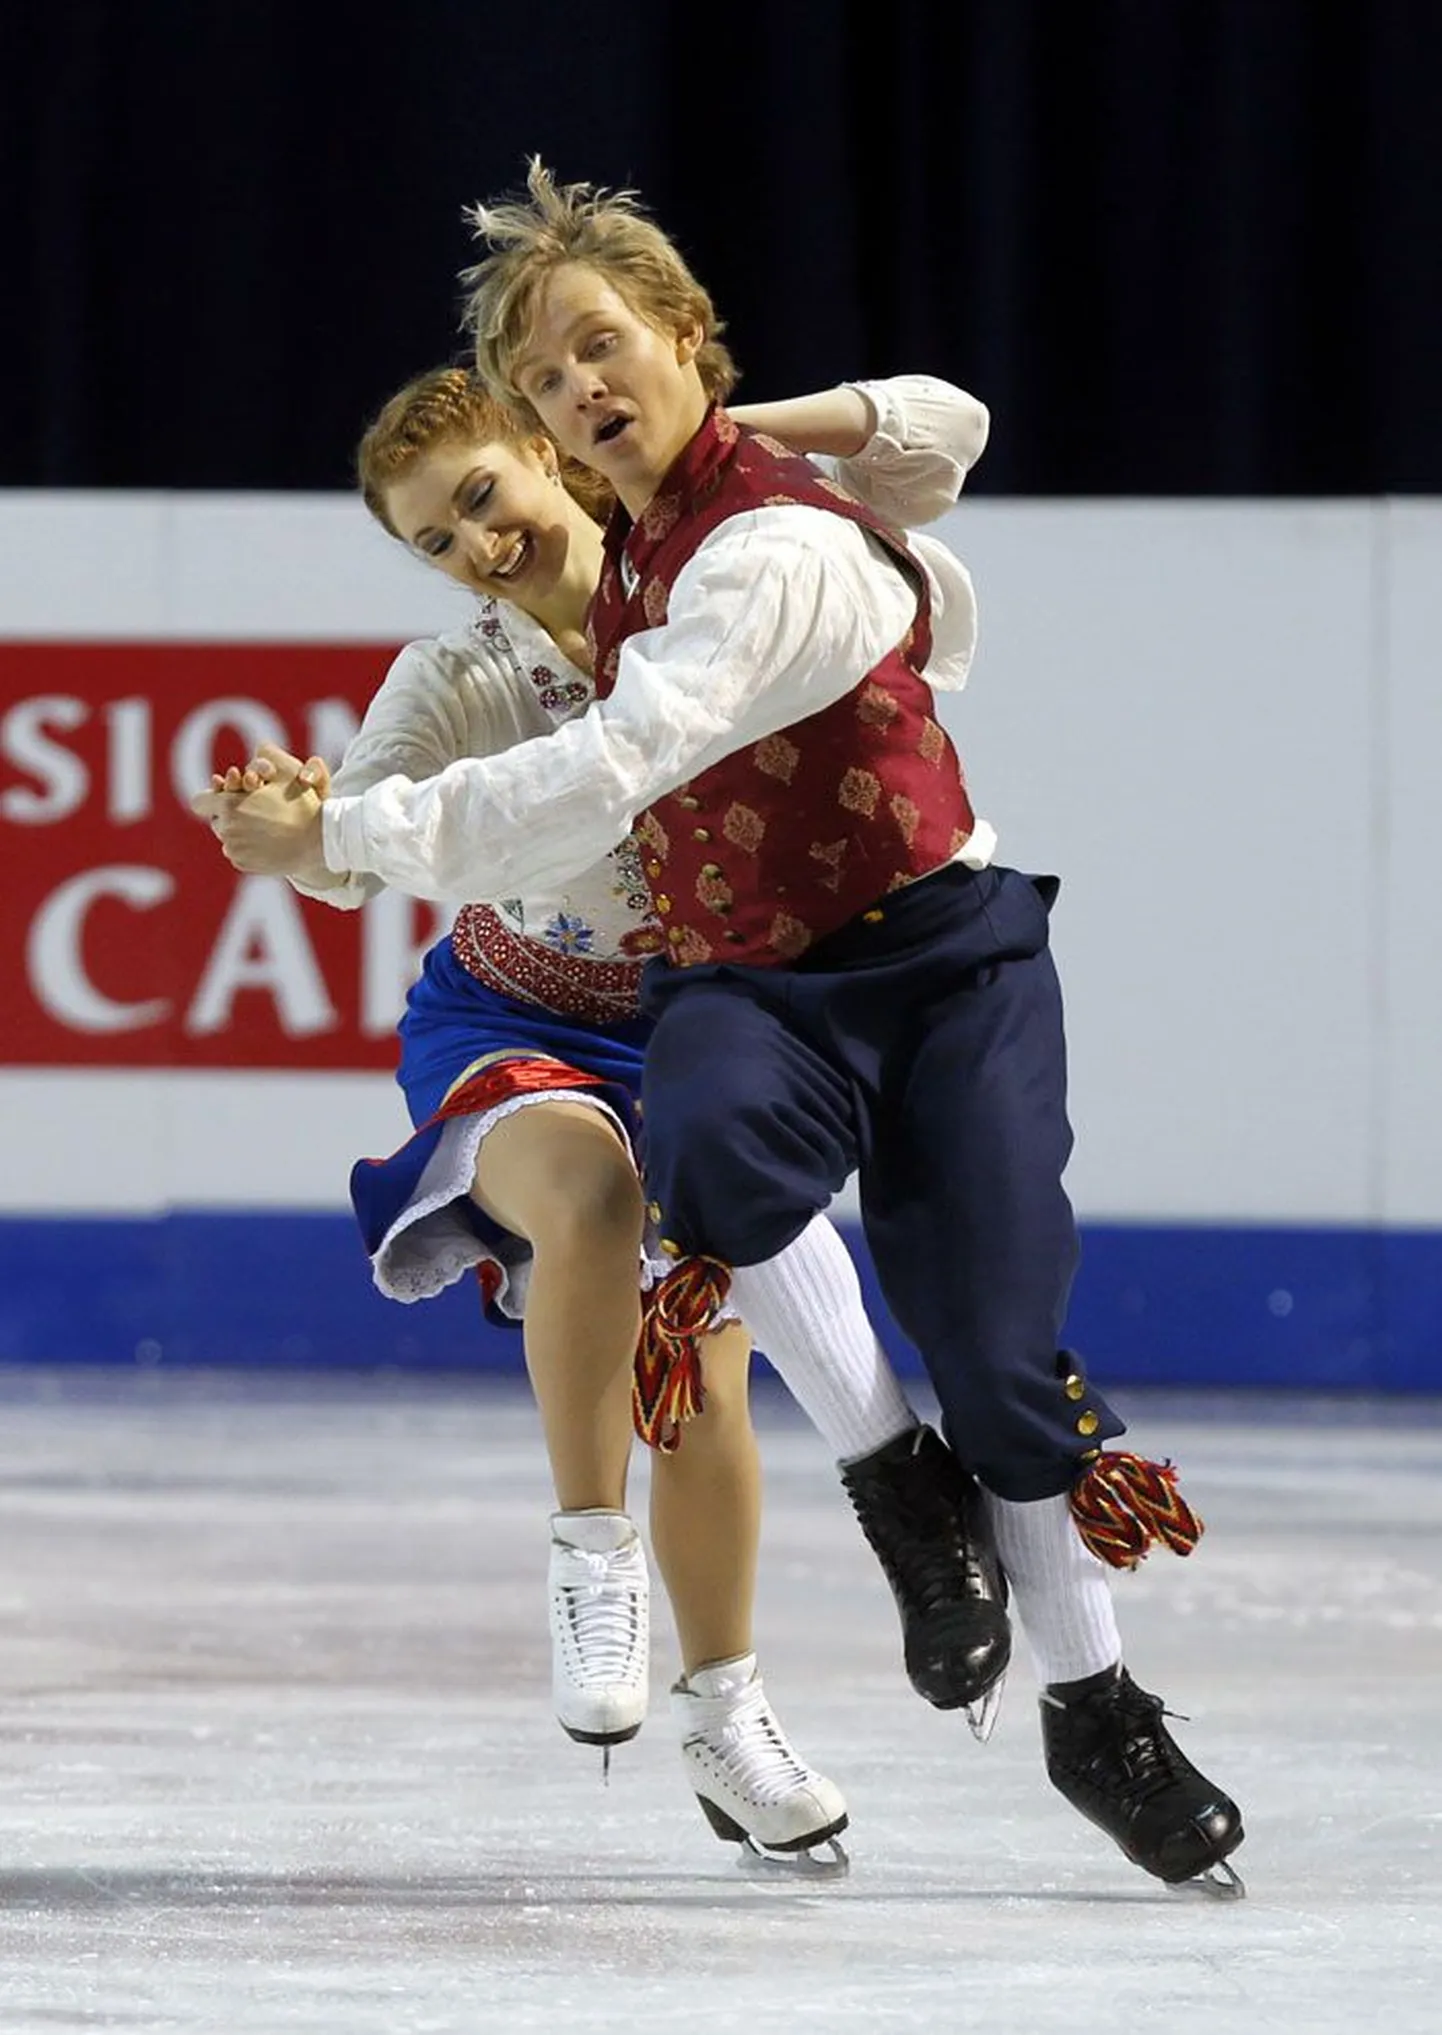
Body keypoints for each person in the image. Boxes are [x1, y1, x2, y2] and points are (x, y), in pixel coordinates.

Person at [201, 163, 1245, 1892]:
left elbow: (909, 449)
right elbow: (378, 827)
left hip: (915, 953)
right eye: (543, 379)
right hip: (662, 995)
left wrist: (347, 833)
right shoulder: (466, 659)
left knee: (982, 1363)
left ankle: (1052, 1700)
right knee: (667, 1173)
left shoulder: (757, 538)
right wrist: (323, 825)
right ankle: (656, 1546)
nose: (476, 541)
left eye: (567, 393)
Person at [196, 361, 1009, 1867]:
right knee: (590, 1202)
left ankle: (724, 1709)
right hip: (507, 1022)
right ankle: (589, 1552)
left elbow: (941, 439)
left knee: (693, 1368)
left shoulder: (709, 588)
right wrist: (290, 831)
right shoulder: (453, 681)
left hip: (693, 1032)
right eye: (435, 538)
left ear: (548, 452)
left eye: (482, 497)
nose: (473, 544)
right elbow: (351, 852)